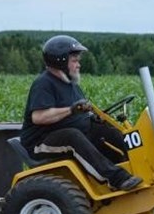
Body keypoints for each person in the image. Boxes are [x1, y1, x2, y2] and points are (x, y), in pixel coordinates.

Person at [20, 35, 142, 191]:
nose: (79, 64)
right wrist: (71, 110)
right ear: (61, 61)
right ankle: (115, 180)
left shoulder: (71, 84)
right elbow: (39, 117)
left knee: (106, 129)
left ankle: (139, 166)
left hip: (70, 133)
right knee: (72, 136)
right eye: (74, 60)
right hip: (40, 144)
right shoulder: (44, 83)